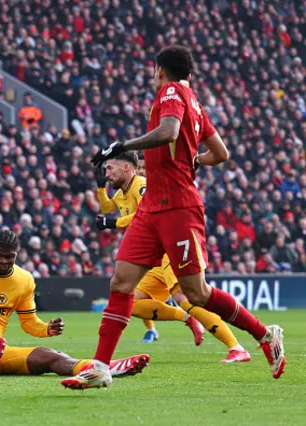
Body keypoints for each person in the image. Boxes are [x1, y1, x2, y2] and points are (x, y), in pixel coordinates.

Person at [62, 46, 285, 390]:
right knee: (121, 282)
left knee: (197, 294)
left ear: (160, 71)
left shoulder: (170, 91)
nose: (154, 78)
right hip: (153, 206)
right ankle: (100, 367)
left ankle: (264, 334)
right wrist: (195, 160)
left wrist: (122, 146)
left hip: (178, 207)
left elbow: (168, 131)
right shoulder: (194, 100)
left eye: (154, 73)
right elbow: (221, 153)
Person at [0, 228, 150, 380]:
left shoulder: (24, 279)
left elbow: (28, 322)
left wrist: (46, 328)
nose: (4, 261)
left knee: (51, 356)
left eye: (10, 257)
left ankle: (103, 368)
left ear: (17, 254)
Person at [96, 151, 250, 362]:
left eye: (110, 168)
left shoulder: (141, 185)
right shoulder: (121, 193)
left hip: (169, 249)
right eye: (105, 170)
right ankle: (187, 319)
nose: (107, 173)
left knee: (185, 299)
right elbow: (106, 207)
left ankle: (236, 347)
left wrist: (113, 223)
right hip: (154, 258)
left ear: (126, 168)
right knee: (132, 303)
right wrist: (99, 188)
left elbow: (145, 213)